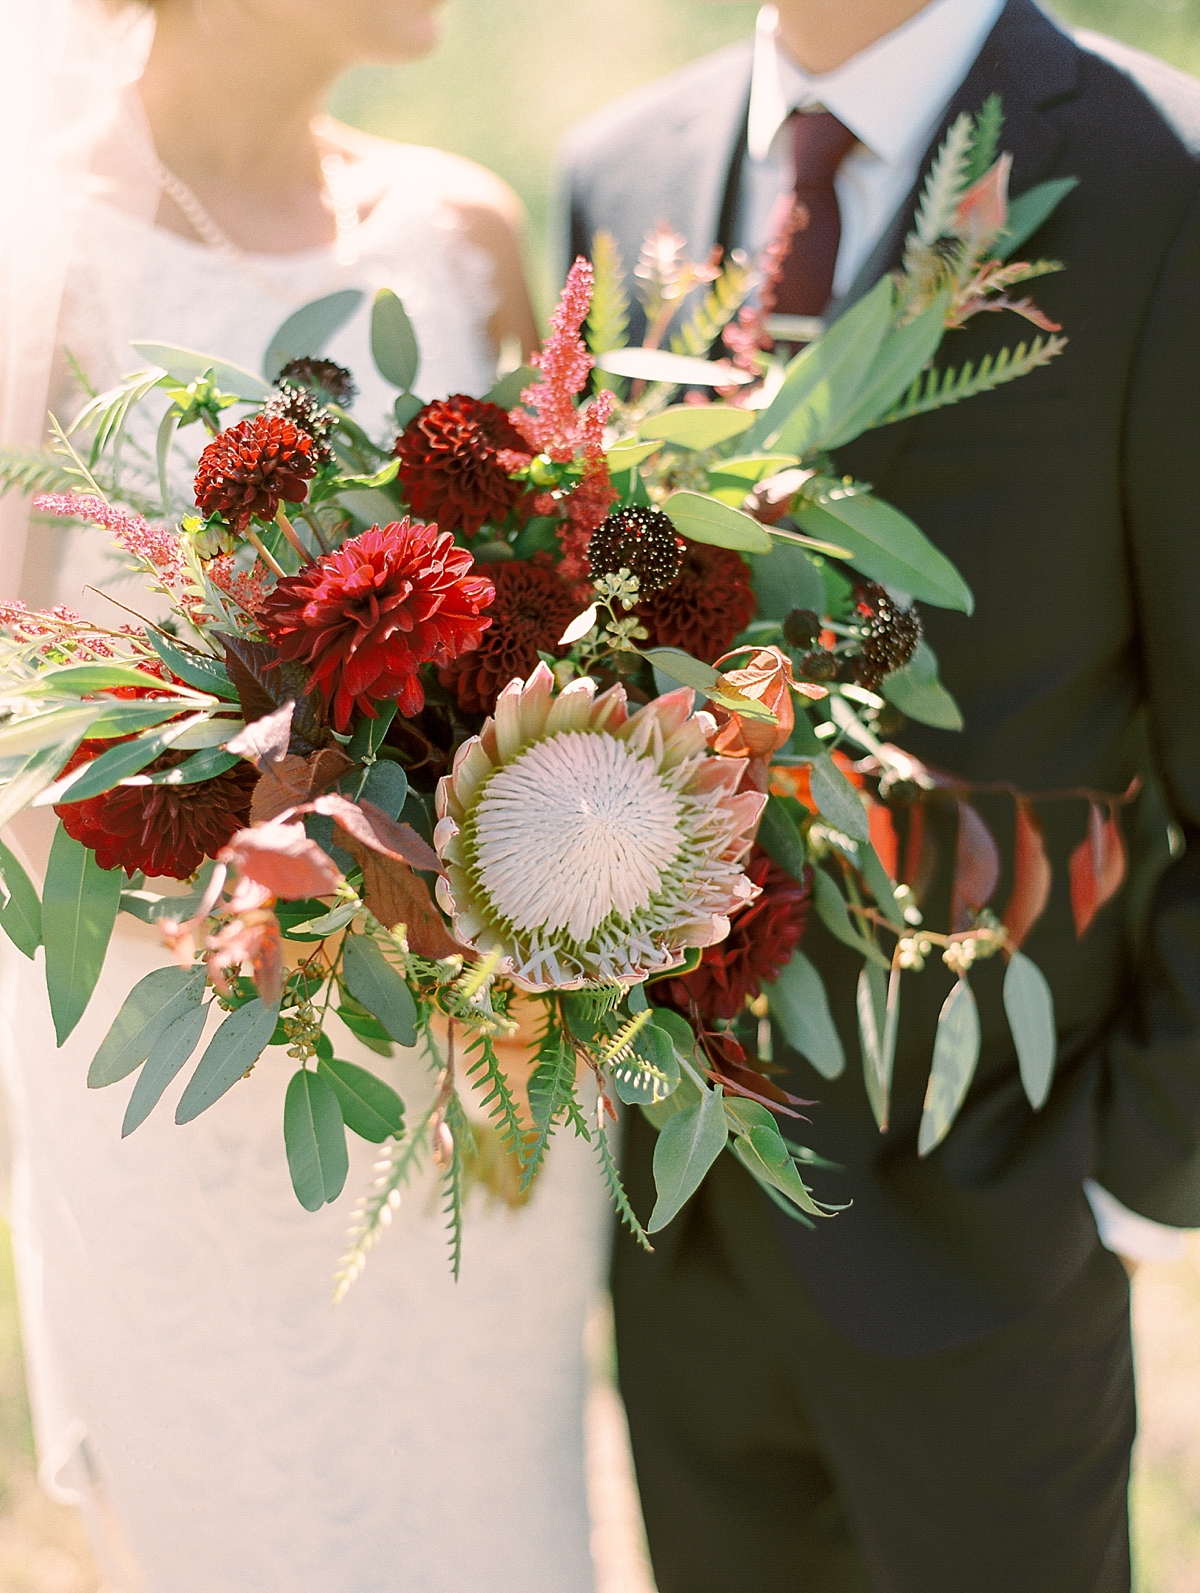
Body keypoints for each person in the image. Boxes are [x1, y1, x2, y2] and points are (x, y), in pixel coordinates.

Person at [562, 1, 1200, 1588]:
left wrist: (1136, 1171)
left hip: (1000, 1209)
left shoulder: (1158, 178)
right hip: (681, 1213)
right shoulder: (616, 169)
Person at [0, 4, 606, 1591]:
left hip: (467, 1059)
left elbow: (574, 622)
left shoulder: (461, 230)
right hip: (190, 1055)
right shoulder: (39, 250)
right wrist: (234, 872)